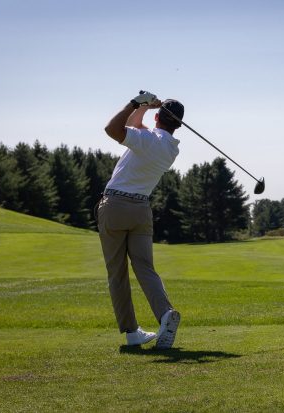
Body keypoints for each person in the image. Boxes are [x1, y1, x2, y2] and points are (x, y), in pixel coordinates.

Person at [98, 90, 183, 349]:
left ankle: (132, 332)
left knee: (117, 273)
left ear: (158, 117)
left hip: (115, 206)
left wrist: (136, 103)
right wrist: (144, 108)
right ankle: (165, 314)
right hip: (141, 210)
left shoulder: (146, 139)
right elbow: (135, 126)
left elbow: (112, 129)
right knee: (145, 267)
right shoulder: (170, 148)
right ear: (178, 125)